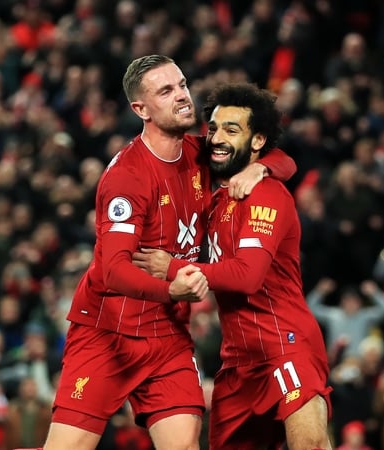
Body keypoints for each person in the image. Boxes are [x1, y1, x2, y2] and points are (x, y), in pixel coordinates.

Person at [44, 55, 297, 450]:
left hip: (168, 337)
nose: (182, 96)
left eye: (181, 84)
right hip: (107, 333)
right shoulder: (127, 178)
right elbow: (113, 270)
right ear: (140, 109)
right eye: (166, 91)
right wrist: (172, 290)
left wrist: (260, 169)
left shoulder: (199, 154)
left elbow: (280, 155)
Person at [133, 83, 332, 449]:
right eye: (213, 128)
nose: (217, 137)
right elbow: (284, 160)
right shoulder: (212, 189)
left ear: (257, 141)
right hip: (237, 362)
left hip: (285, 345)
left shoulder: (265, 193)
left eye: (231, 129)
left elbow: (247, 276)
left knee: (311, 445)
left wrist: (172, 268)